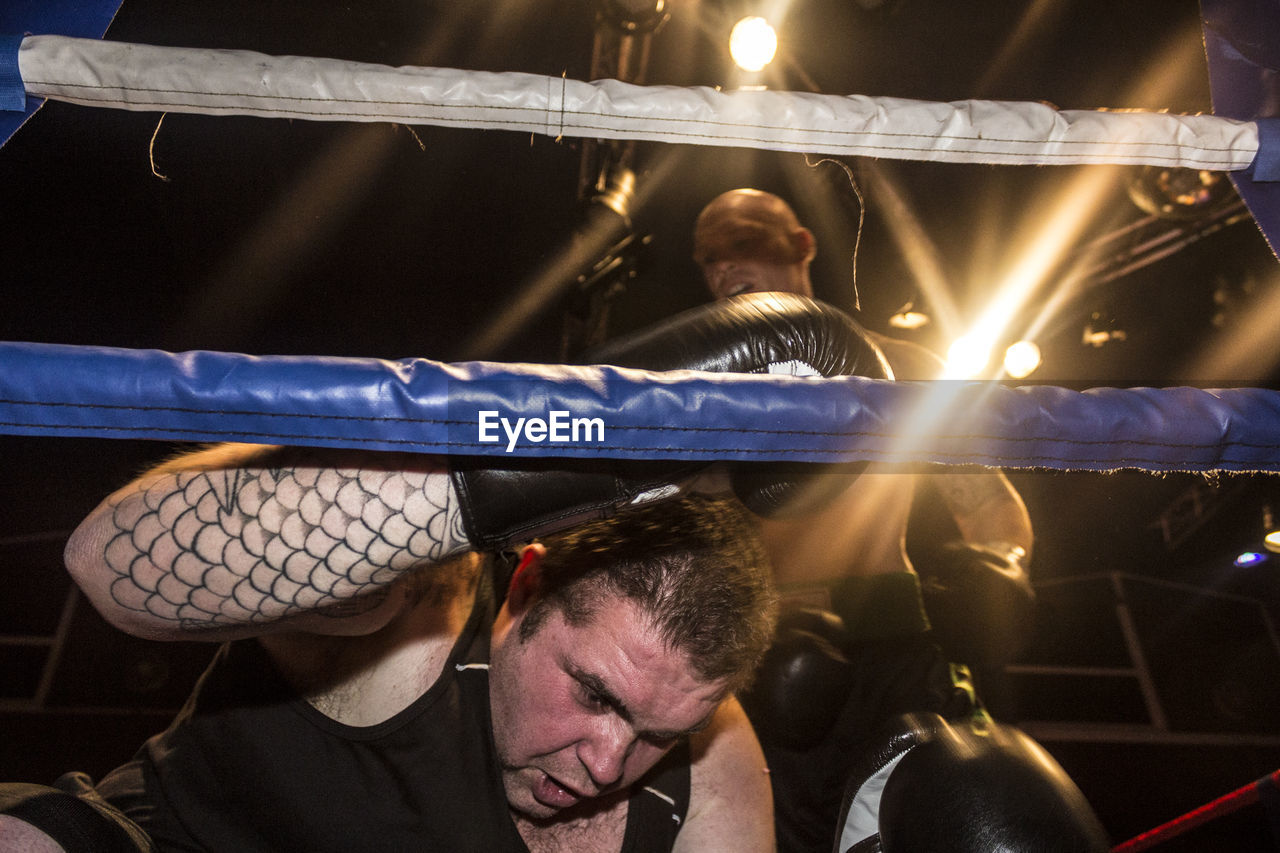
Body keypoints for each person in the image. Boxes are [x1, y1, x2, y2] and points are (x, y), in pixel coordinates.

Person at [0, 442, 779, 852]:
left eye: (658, 733)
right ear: (528, 590)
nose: (608, 762)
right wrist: (502, 474)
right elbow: (107, 561)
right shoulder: (422, 609)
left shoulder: (712, 758)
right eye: (594, 694)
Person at [691, 188, 1053, 852]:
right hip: (761, 660)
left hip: (901, 652)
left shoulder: (905, 368)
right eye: (710, 257)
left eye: (744, 241)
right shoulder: (705, 396)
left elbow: (988, 502)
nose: (723, 267)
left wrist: (1000, 570)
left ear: (803, 245)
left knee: (934, 826)